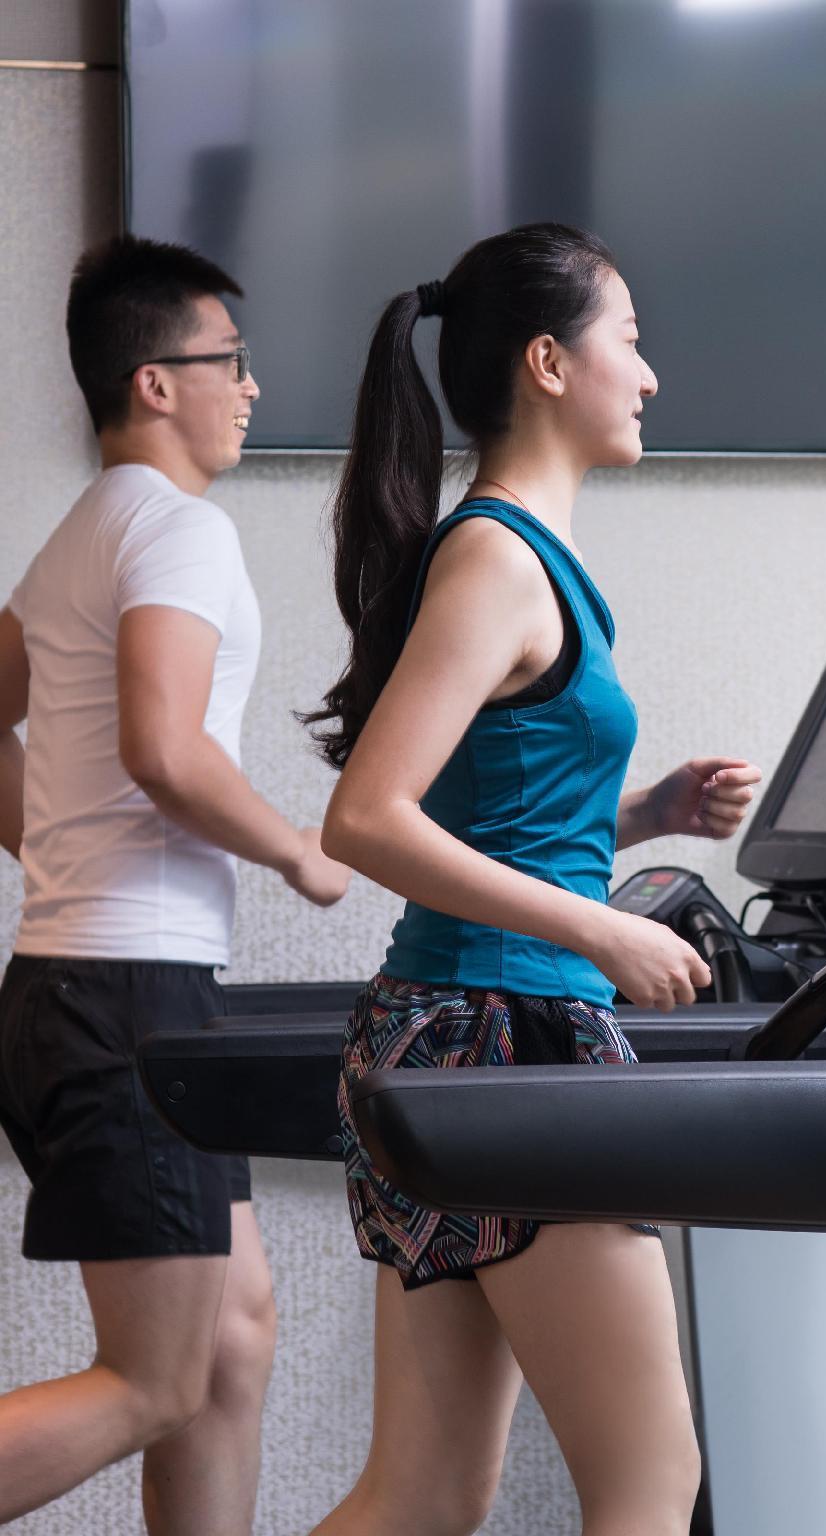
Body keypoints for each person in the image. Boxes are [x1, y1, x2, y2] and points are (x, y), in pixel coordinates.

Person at [305, 223, 759, 1536]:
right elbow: (367, 819)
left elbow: (486, 813)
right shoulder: (497, 558)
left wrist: (639, 816)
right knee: (648, 1486)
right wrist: (598, 930)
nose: (651, 375)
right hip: (509, 1043)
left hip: (458, 1035)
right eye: (629, 340)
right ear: (551, 362)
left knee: (425, 1493)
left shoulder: (517, 559)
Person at [0, 234, 352, 1531]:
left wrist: (53, 848)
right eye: (230, 363)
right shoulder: (177, 529)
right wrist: (293, 847)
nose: (251, 388)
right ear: (157, 383)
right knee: (154, 1382)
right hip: (130, 1001)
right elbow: (163, 747)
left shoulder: (79, 534)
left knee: (235, 1336)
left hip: (77, 989)